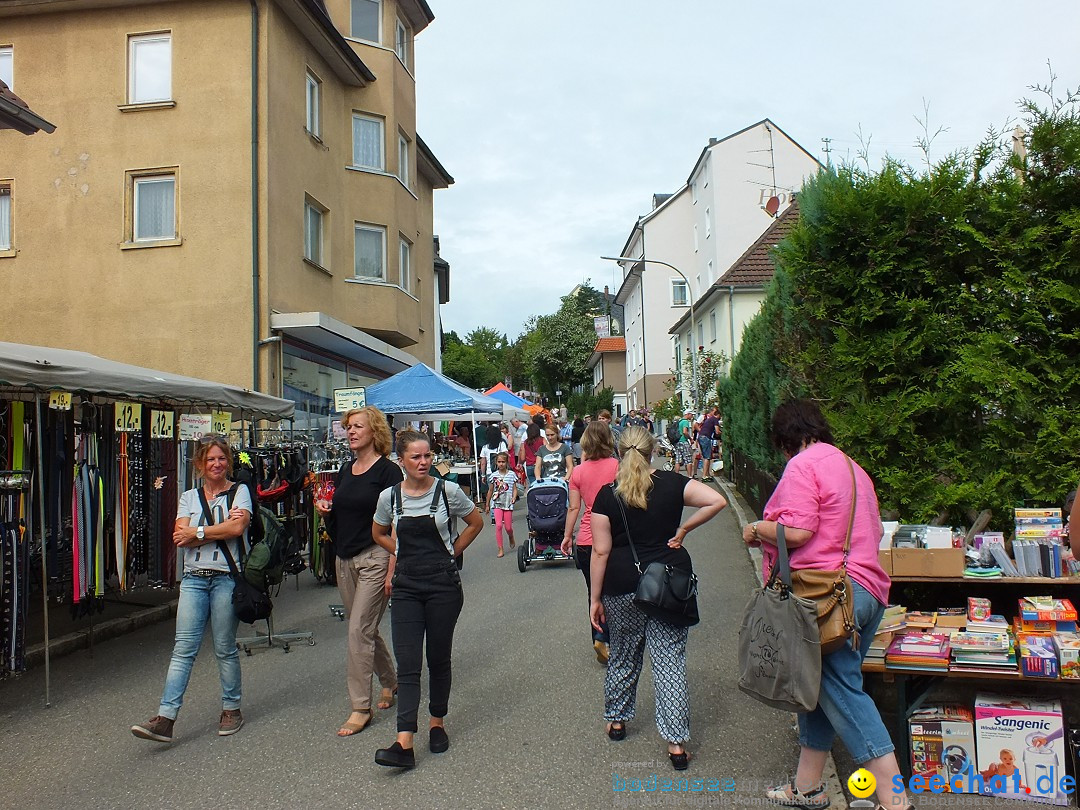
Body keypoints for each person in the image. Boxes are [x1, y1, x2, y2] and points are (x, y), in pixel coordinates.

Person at [743, 399, 912, 810]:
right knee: (815, 686)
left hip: (827, 596)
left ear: (787, 439)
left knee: (840, 690)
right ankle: (808, 786)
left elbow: (798, 530)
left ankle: (894, 799)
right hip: (866, 592)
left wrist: (756, 529)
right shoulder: (855, 470)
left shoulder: (803, 465)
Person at [589, 427, 727, 770]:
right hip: (668, 583)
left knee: (623, 653)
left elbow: (601, 552)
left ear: (619, 453)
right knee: (669, 661)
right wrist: (683, 531)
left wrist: (595, 598)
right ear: (653, 451)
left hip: (622, 584)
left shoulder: (607, 495)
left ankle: (617, 721)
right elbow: (717, 500)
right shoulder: (673, 483)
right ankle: (676, 744)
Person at [371, 430, 484, 769]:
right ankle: (404, 740)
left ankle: (437, 723)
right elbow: (377, 532)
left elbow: (476, 522)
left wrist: (453, 551)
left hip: (442, 585)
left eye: (427, 456)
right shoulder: (389, 497)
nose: (423, 462)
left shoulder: (448, 491)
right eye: (416, 457)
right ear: (401, 460)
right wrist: (399, 550)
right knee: (408, 663)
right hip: (406, 584)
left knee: (438, 657)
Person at [132, 436, 252, 743]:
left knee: (224, 647)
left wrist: (197, 531)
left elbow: (236, 529)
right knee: (183, 650)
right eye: (210, 459)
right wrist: (218, 529)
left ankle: (231, 708)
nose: (216, 464)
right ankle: (165, 718)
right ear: (200, 464)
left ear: (229, 461)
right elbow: (179, 537)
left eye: (221, 458)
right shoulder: (188, 497)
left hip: (226, 578)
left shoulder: (240, 492)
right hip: (194, 579)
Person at [315, 406, 402, 737]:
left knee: (357, 631)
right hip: (344, 559)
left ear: (374, 431)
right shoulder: (345, 470)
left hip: (375, 557)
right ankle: (391, 681)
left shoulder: (388, 472)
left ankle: (359, 707)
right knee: (363, 629)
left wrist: (393, 567)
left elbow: (397, 523)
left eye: (357, 427)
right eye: (348, 427)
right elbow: (341, 513)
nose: (351, 431)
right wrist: (325, 511)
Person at [561, 421, 619, 664]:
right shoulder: (618, 467)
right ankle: (613, 640)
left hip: (586, 539)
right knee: (614, 592)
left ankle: (598, 635)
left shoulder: (579, 472)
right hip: (614, 537)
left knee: (593, 592)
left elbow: (574, 507)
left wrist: (567, 536)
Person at [484, 452, 518, 557]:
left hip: (508, 503)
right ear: (496, 463)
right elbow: (490, 490)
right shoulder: (493, 476)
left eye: (503, 462)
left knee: (508, 527)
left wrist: (513, 497)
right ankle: (500, 548)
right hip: (497, 503)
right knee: (498, 525)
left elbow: (515, 489)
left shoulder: (512, 475)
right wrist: (487, 504)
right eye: (499, 462)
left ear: (507, 462)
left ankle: (511, 536)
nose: (501, 464)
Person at [478, 424, 507, 502]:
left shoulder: (485, 447)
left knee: (491, 492)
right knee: (502, 492)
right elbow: (507, 457)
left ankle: (493, 512)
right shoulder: (502, 445)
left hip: (489, 472)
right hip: (502, 472)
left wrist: (483, 475)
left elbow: (483, 463)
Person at [697, 406, 721, 481]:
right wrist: (722, 433)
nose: (720, 418)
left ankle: (706, 474)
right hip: (705, 438)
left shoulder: (709, 419)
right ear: (717, 414)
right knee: (707, 457)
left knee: (705, 456)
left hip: (701, 436)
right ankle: (704, 476)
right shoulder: (715, 419)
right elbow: (717, 431)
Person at [673, 409, 694, 476]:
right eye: (691, 414)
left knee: (678, 460)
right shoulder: (685, 422)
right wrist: (690, 439)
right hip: (683, 441)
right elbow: (685, 432)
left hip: (678, 442)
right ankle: (689, 476)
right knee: (688, 460)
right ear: (687, 414)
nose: (692, 416)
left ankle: (676, 476)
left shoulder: (679, 421)